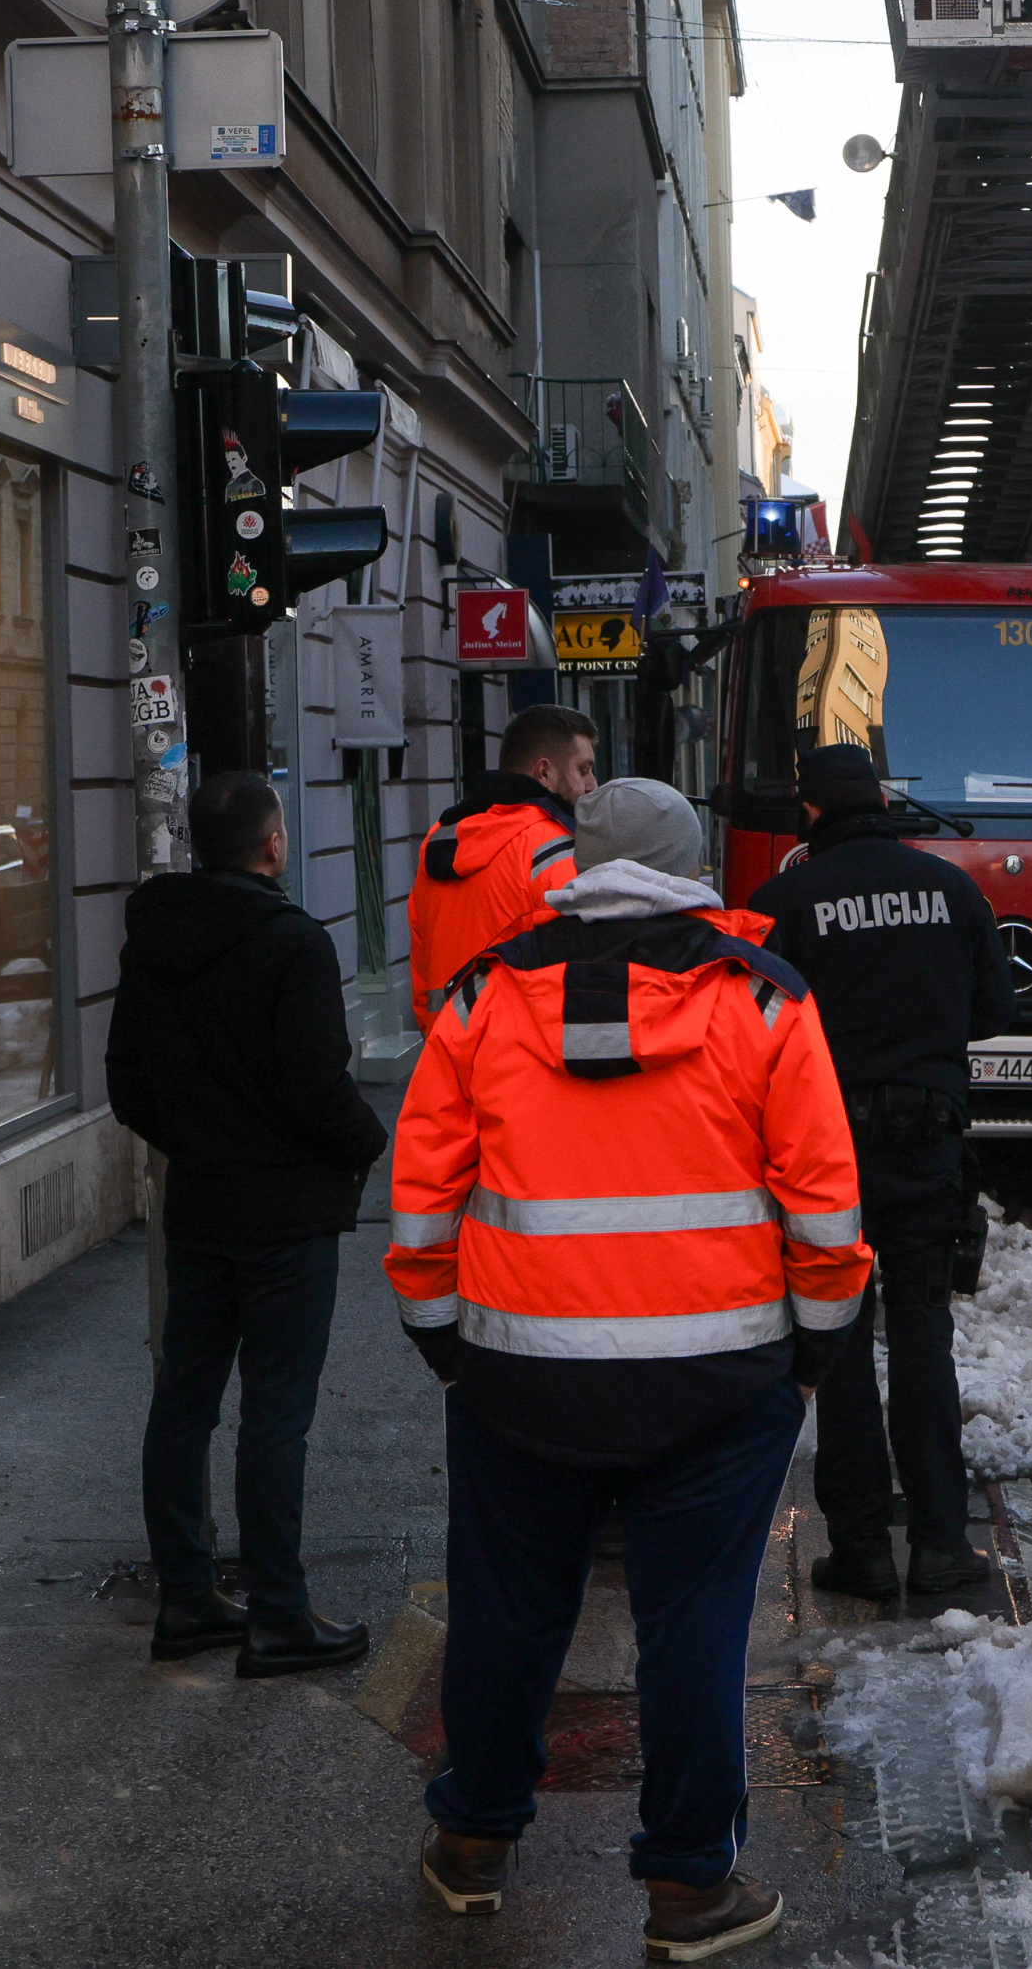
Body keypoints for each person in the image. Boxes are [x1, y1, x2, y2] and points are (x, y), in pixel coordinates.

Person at [395, 778, 869, 1960]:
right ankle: (687, 1890)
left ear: (575, 864)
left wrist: (449, 1348)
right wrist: (809, 1354)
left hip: (518, 1380)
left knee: (504, 1619)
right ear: (696, 863)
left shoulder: (481, 998)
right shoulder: (762, 1001)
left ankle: (471, 1848)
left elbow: (421, 1204)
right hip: (717, 1384)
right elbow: (822, 1205)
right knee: (695, 1633)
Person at [105, 769, 386, 1678]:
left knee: (183, 1399)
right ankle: (278, 1612)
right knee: (276, 1411)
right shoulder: (292, 943)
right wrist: (362, 1140)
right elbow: (317, 1082)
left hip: (202, 1201)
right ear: (273, 846)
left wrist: (199, 1140)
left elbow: (127, 1083)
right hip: (286, 1210)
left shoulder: (151, 939)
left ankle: (186, 1596)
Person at [751, 742, 1008, 1602]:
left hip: (824, 1149)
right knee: (925, 1332)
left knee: (842, 1340)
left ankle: (860, 1548)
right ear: (882, 800)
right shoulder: (949, 887)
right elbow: (995, 1009)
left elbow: (751, 1031)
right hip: (928, 1142)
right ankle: (941, 1542)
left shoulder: (783, 901)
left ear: (810, 810)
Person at [410, 701, 598, 1020]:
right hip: (521, 1055)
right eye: (583, 769)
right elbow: (581, 974)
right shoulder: (556, 847)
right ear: (545, 772)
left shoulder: (439, 840)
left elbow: (421, 963)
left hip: (447, 1047)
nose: (592, 783)